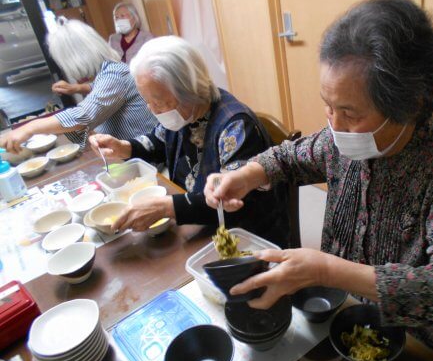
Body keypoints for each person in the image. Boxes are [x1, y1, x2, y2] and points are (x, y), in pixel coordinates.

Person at [204, 0, 433, 361]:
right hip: (343, 324)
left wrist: (329, 271)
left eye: (350, 113)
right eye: (328, 106)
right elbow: (291, 157)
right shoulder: (339, 141)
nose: (334, 126)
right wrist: (246, 173)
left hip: (429, 351)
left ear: (412, 104)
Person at [89, 36, 289, 248]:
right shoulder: (185, 113)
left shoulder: (236, 126)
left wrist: (166, 207)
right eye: (146, 101)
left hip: (247, 236)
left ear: (189, 91)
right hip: (201, 225)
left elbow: (228, 200)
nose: (152, 109)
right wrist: (124, 148)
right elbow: (158, 142)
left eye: (158, 102)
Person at [0, 18, 158, 153]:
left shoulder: (115, 75)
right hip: (120, 151)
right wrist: (76, 88)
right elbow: (100, 88)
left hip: (143, 153)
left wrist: (29, 128)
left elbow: (83, 116)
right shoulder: (108, 71)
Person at [52, 3, 153, 97]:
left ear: (134, 18)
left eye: (123, 16)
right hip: (118, 86)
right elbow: (107, 70)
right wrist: (77, 87)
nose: (119, 20)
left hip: (141, 87)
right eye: (116, 18)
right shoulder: (113, 39)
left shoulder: (147, 38)